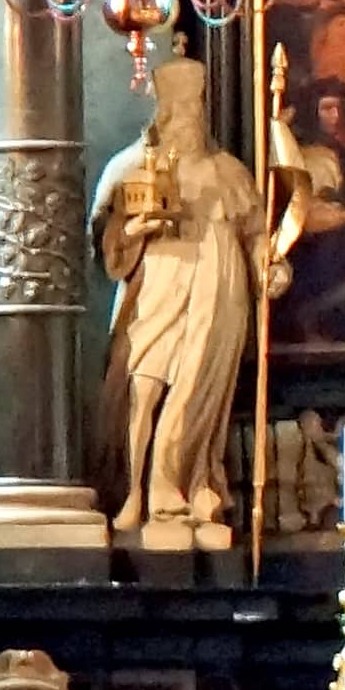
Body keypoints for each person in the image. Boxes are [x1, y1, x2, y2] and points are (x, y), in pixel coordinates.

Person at [92, 59, 269, 548]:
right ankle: (131, 491)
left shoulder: (228, 171)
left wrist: (269, 269)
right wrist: (134, 230)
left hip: (217, 288)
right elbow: (106, 238)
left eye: (196, 109)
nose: (189, 120)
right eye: (180, 109)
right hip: (159, 284)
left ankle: (178, 491)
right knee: (141, 390)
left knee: (196, 390)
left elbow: (256, 236)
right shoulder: (133, 168)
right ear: (163, 113)